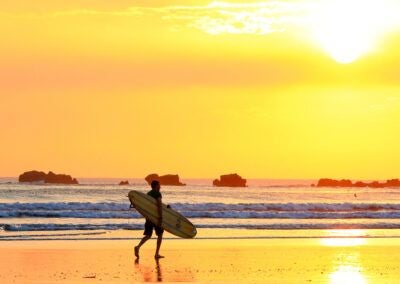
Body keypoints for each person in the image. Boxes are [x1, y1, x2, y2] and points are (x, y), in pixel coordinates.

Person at [134, 180, 164, 259]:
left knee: (148, 235)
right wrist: (160, 217)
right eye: (159, 185)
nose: (160, 187)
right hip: (156, 217)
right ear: (156, 186)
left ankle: (138, 247)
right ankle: (156, 254)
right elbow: (159, 205)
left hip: (149, 217)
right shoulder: (157, 193)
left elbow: (146, 206)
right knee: (160, 235)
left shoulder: (148, 194)